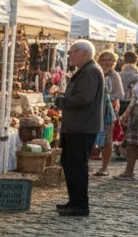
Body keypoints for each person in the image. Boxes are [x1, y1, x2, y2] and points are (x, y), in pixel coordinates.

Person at [52, 40, 104, 216]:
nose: (69, 55)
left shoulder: (90, 71)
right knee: (71, 164)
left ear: (83, 52)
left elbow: (84, 98)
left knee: (77, 166)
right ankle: (75, 201)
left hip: (82, 127)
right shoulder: (86, 70)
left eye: (72, 51)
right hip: (77, 126)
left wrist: (62, 101)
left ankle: (80, 204)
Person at [94, 51, 124, 176]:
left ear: (114, 62)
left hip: (107, 109)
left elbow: (119, 94)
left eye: (110, 60)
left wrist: (106, 97)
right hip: (94, 109)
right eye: (104, 60)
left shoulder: (114, 75)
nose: (107, 62)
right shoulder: (95, 72)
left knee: (107, 139)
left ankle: (104, 167)